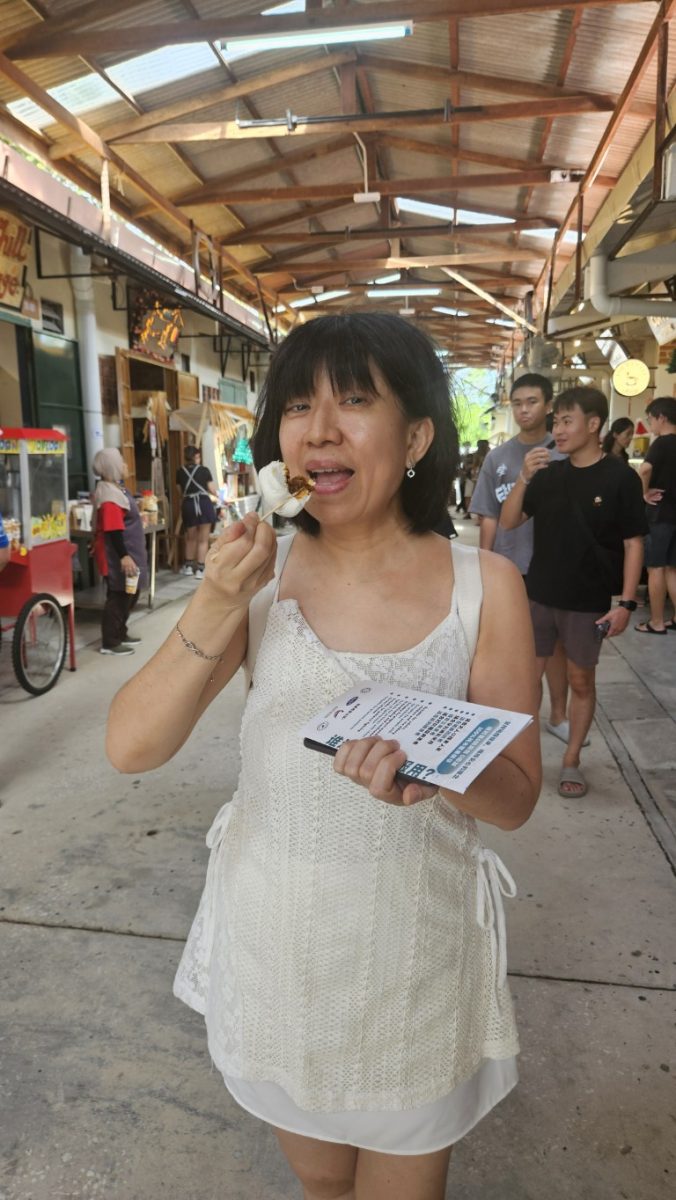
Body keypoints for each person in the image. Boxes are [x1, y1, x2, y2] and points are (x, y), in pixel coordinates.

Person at [106, 312, 541, 1200]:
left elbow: (517, 797)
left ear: (416, 437)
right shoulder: (261, 579)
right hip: (277, 952)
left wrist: (437, 772)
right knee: (321, 1183)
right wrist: (214, 601)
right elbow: (131, 746)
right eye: (299, 407)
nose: (319, 431)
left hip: (415, 957)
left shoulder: (485, 587)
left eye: (354, 401)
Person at [500, 386, 647, 800]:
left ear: (594, 424)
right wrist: (524, 477)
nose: (558, 430)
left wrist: (626, 603)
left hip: (587, 601)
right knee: (526, 680)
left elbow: (634, 542)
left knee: (582, 680)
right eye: (557, 422)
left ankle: (571, 760)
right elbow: (509, 520)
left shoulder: (620, 477)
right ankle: (521, 757)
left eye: (567, 421)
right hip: (539, 594)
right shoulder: (548, 475)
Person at [470, 372, 573, 746]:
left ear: (548, 405)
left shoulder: (564, 452)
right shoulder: (497, 458)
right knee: (518, 651)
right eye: (517, 403)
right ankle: (520, 722)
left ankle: (558, 714)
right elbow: (488, 516)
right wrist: (482, 567)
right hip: (509, 568)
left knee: (555, 647)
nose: (524, 410)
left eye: (532, 402)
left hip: (554, 567)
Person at [92, 448, 148, 657]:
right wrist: (124, 556)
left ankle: (120, 632)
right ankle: (110, 641)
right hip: (118, 554)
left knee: (130, 593)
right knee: (119, 595)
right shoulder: (109, 496)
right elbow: (113, 530)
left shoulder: (116, 489)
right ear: (112, 467)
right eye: (122, 462)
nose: (125, 465)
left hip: (129, 551)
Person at [635, 396, 676, 634]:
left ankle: (657, 621)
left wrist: (644, 493)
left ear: (662, 418)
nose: (650, 425)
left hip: (660, 513)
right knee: (672, 567)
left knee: (656, 567)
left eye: (650, 419)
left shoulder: (662, 443)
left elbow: (645, 469)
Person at [177, 444, 219, 580]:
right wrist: (220, 496)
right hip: (204, 504)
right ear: (196, 456)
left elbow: (180, 492)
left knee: (190, 538)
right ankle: (200, 569)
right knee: (203, 540)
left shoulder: (180, 471)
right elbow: (212, 490)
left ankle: (189, 567)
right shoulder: (204, 470)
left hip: (188, 505)